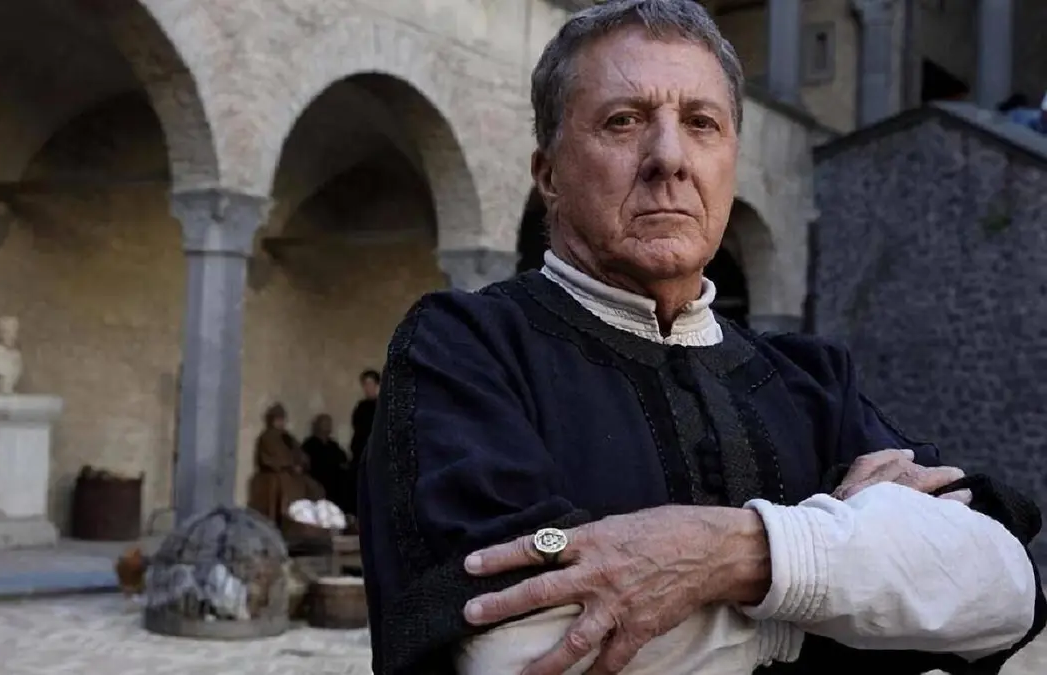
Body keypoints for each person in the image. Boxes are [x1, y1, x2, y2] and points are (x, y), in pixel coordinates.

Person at [358, 2, 1045, 674]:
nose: (669, 158)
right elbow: (516, 646)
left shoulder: (811, 380)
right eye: (623, 121)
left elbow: (1006, 591)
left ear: (730, 163)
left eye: (701, 123)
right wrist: (847, 576)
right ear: (549, 176)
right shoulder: (465, 347)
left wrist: (738, 551)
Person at [247, 403, 326, 535]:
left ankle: (308, 524)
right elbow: (268, 459)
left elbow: (300, 453)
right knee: (284, 485)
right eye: (278, 419)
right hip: (275, 474)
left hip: (294, 474)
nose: (281, 422)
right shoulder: (266, 437)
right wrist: (289, 465)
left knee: (314, 487)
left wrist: (301, 464)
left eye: (282, 418)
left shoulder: (287, 437)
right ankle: (285, 523)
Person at [302, 413, 354, 513]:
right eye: (325, 424)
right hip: (318, 481)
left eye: (329, 424)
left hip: (337, 483)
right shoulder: (309, 445)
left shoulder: (333, 445)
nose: (328, 427)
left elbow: (343, 460)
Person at [346, 369, 381, 516]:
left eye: (370, 384)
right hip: (360, 454)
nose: (367, 388)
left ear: (377, 385)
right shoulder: (361, 407)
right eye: (365, 384)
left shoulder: (384, 406)